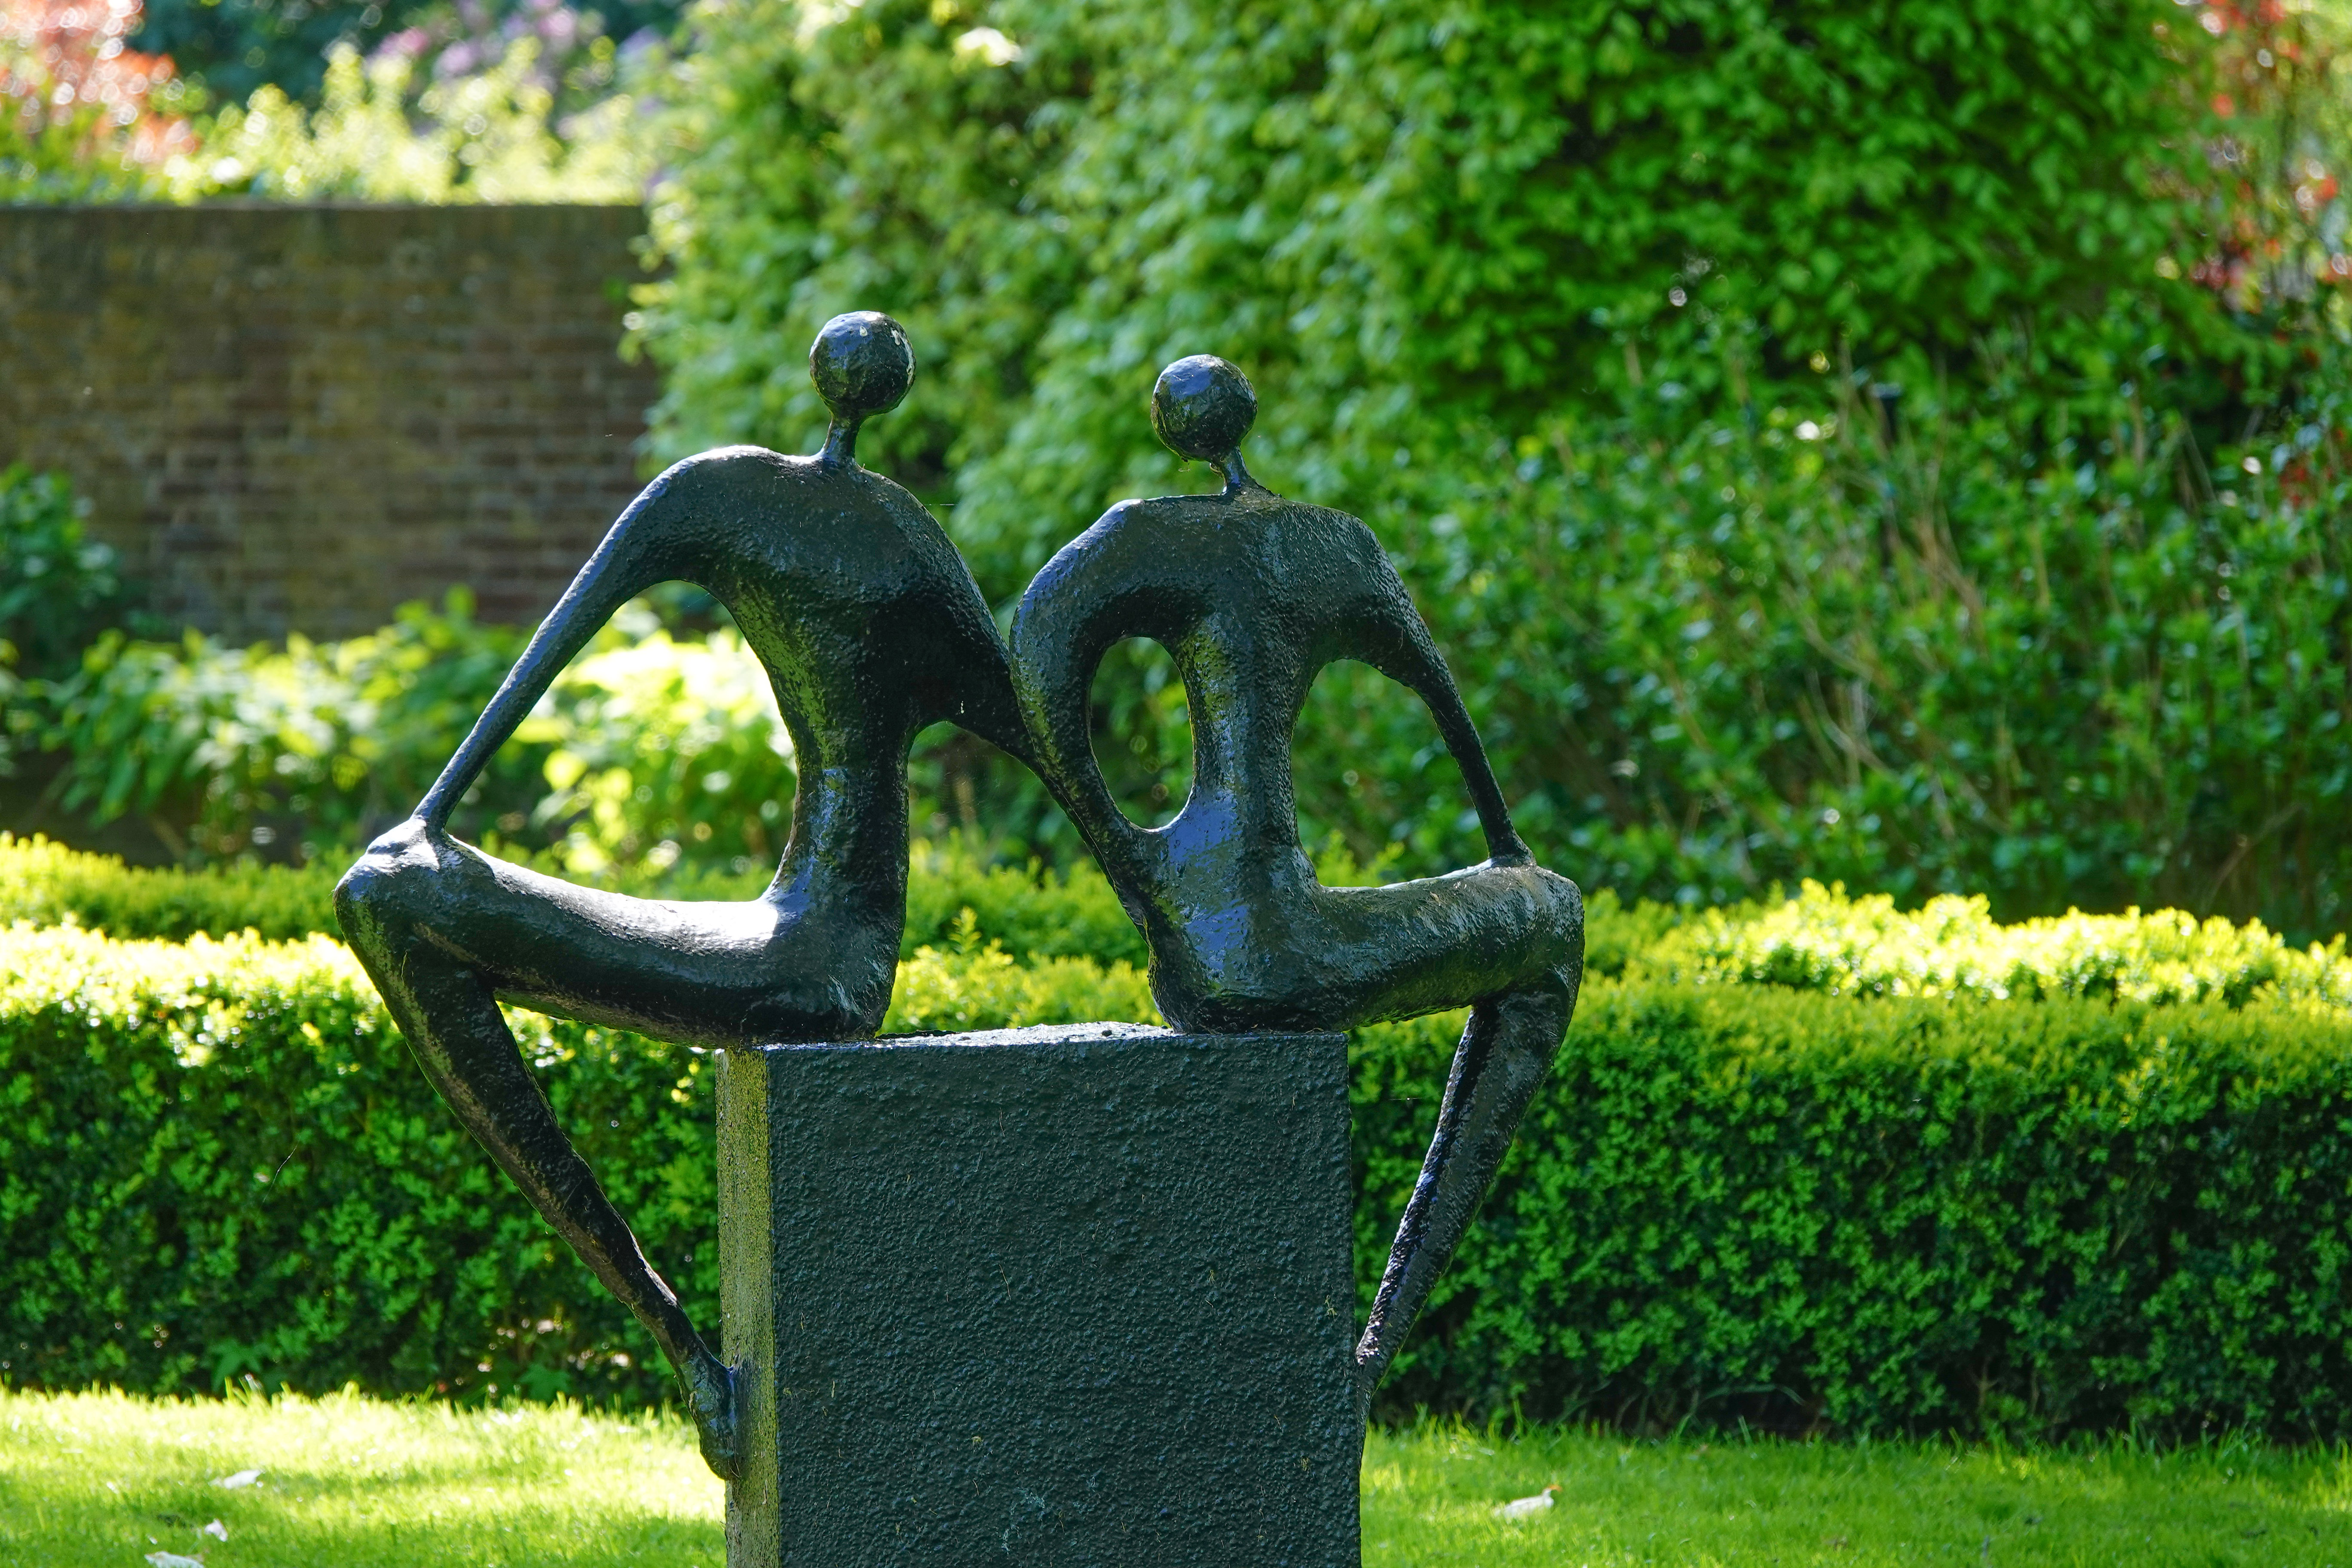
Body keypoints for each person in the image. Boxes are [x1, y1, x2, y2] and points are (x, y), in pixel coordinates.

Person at [335, 313, 1029, 1478]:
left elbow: (1027, 733)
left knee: (385, 896)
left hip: (823, 963)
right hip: (814, 938)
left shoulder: (792, 514)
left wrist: (435, 812)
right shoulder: (822, 522)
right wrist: (432, 812)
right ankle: (683, 1347)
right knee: (383, 893)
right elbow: (559, 639)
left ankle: (683, 1348)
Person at [1008, 355, 1584, 1402]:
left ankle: (1365, 1358)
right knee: (1552, 919)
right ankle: (1375, 1347)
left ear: (1174, 428)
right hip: (1291, 946)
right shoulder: (1328, 544)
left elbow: (1037, 650)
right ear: (1244, 417)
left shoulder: (1138, 538)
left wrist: (1142, 876)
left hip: (1203, 945)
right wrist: (1507, 849)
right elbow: (1445, 710)